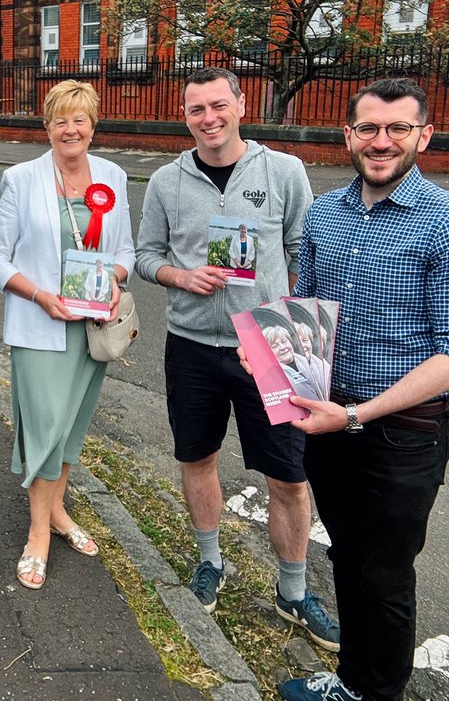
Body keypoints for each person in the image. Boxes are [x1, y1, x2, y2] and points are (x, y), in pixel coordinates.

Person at [276, 78, 449, 701]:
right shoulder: (324, 216)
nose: (382, 141)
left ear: (423, 135)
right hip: (327, 419)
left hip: (402, 435)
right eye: (368, 128)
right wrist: (269, 348)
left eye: (399, 128)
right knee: (346, 556)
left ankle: (378, 693)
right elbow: (304, 311)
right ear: (348, 135)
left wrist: (356, 415)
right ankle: (351, 681)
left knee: (385, 575)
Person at [135, 66, 339, 649]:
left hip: (268, 350)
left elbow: (306, 251)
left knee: (289, 477)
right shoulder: (167, 182)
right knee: (197, 459)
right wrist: (180, 274)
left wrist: (293, 328)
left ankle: (294, 592)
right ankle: (210, 561)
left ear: (241, 104)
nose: (209, 118)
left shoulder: (283, 171)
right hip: (193, 347)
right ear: (185, 116)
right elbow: (147, 255)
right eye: (197, 109)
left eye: (219, 105)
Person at [0, 80, 135, 589]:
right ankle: (38, 532)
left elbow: (125, 254)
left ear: (94, 125)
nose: (71, 129)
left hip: (91, 329)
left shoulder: (112, 176)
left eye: (81, 119)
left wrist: (112, 283)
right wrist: (41, 296)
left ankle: (60, 511)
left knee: (70, 428)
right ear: (46, 127)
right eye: (61, 120)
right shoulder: (22, 179)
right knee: (44, 431)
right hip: (40, 326)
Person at [263, 325, 321, 401]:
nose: (283, 347)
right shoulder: (271, 377)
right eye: (275, 346)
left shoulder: (313, 361)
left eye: (284, 342)